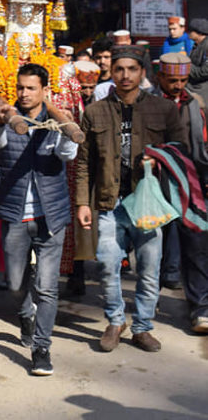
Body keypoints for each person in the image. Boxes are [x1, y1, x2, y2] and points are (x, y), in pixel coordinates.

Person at [75, 45, 188, 353]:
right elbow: (84, 162)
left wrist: (159, 159)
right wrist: (83, 202)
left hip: (149, 203)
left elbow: (181, 151)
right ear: (111, 72)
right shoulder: (95, 111)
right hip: (109, 203)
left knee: (149, 269)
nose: (125, 75)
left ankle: (142, 327)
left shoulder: (163, 109)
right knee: (108, 265)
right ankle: (115, 321)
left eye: (132, 69)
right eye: (119, 69)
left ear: (142, 73)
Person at [0, 64, 78, 376]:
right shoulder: (3, 117)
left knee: (48, 287)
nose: (25, 94)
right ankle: (25, 313)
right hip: (15, 216)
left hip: (50, 216)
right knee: (15, 284)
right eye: (21, 87)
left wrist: (65, 126)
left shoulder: (56, 120)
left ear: (44, 91)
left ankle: (41, 348)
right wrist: (0, 121)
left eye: (31, 88)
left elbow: (68, 154)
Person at [151, 52, 208, 332]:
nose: (178, 85)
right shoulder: (146, 103)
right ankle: (146, 306)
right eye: (172, 80)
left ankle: (200, 307)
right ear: (159, 76)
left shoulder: (196, 104)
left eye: (183, 80)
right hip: (154, 182)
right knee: (151, 246)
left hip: (191, 183)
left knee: (196, 245)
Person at [188, 18, 208, 99]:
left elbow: (204, 72)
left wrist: (186, 66)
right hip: (193, 87)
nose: (189, 33)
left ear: (199, 33)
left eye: (191, 31)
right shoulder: (197, 45)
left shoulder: (206, 46)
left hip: (202, 91)